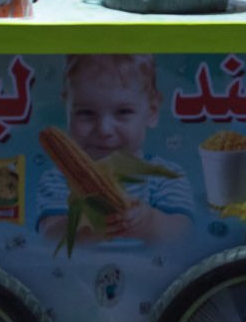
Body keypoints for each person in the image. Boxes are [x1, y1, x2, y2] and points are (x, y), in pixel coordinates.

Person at [36, 55, 198, 249]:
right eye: (86, 113)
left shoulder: (166, 176)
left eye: (123, 112)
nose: (104, 130)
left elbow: (183, 232)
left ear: (152, 111)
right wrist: (87, 227)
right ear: (67, 110)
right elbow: (49, 237)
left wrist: (150, 222)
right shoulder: (57, 179)